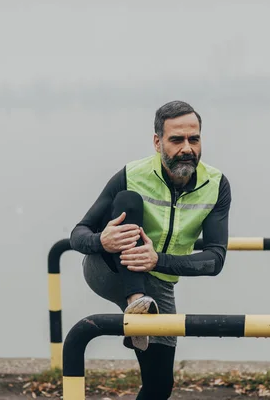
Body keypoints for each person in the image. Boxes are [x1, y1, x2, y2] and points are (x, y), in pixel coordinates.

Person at [69, 100, 232, 399]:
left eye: (193, 139)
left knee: (159, 386)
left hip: (159, 283)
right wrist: (101, 241)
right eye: (176, 140)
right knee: (128, 199)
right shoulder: (131, 174)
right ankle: (136, 300)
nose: (187, 148)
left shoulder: (216, 184)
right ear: (158, 142)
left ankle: (142, 307)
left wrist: (158, 260)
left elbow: (215, 259)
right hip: (108, 269)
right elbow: (77, 234)